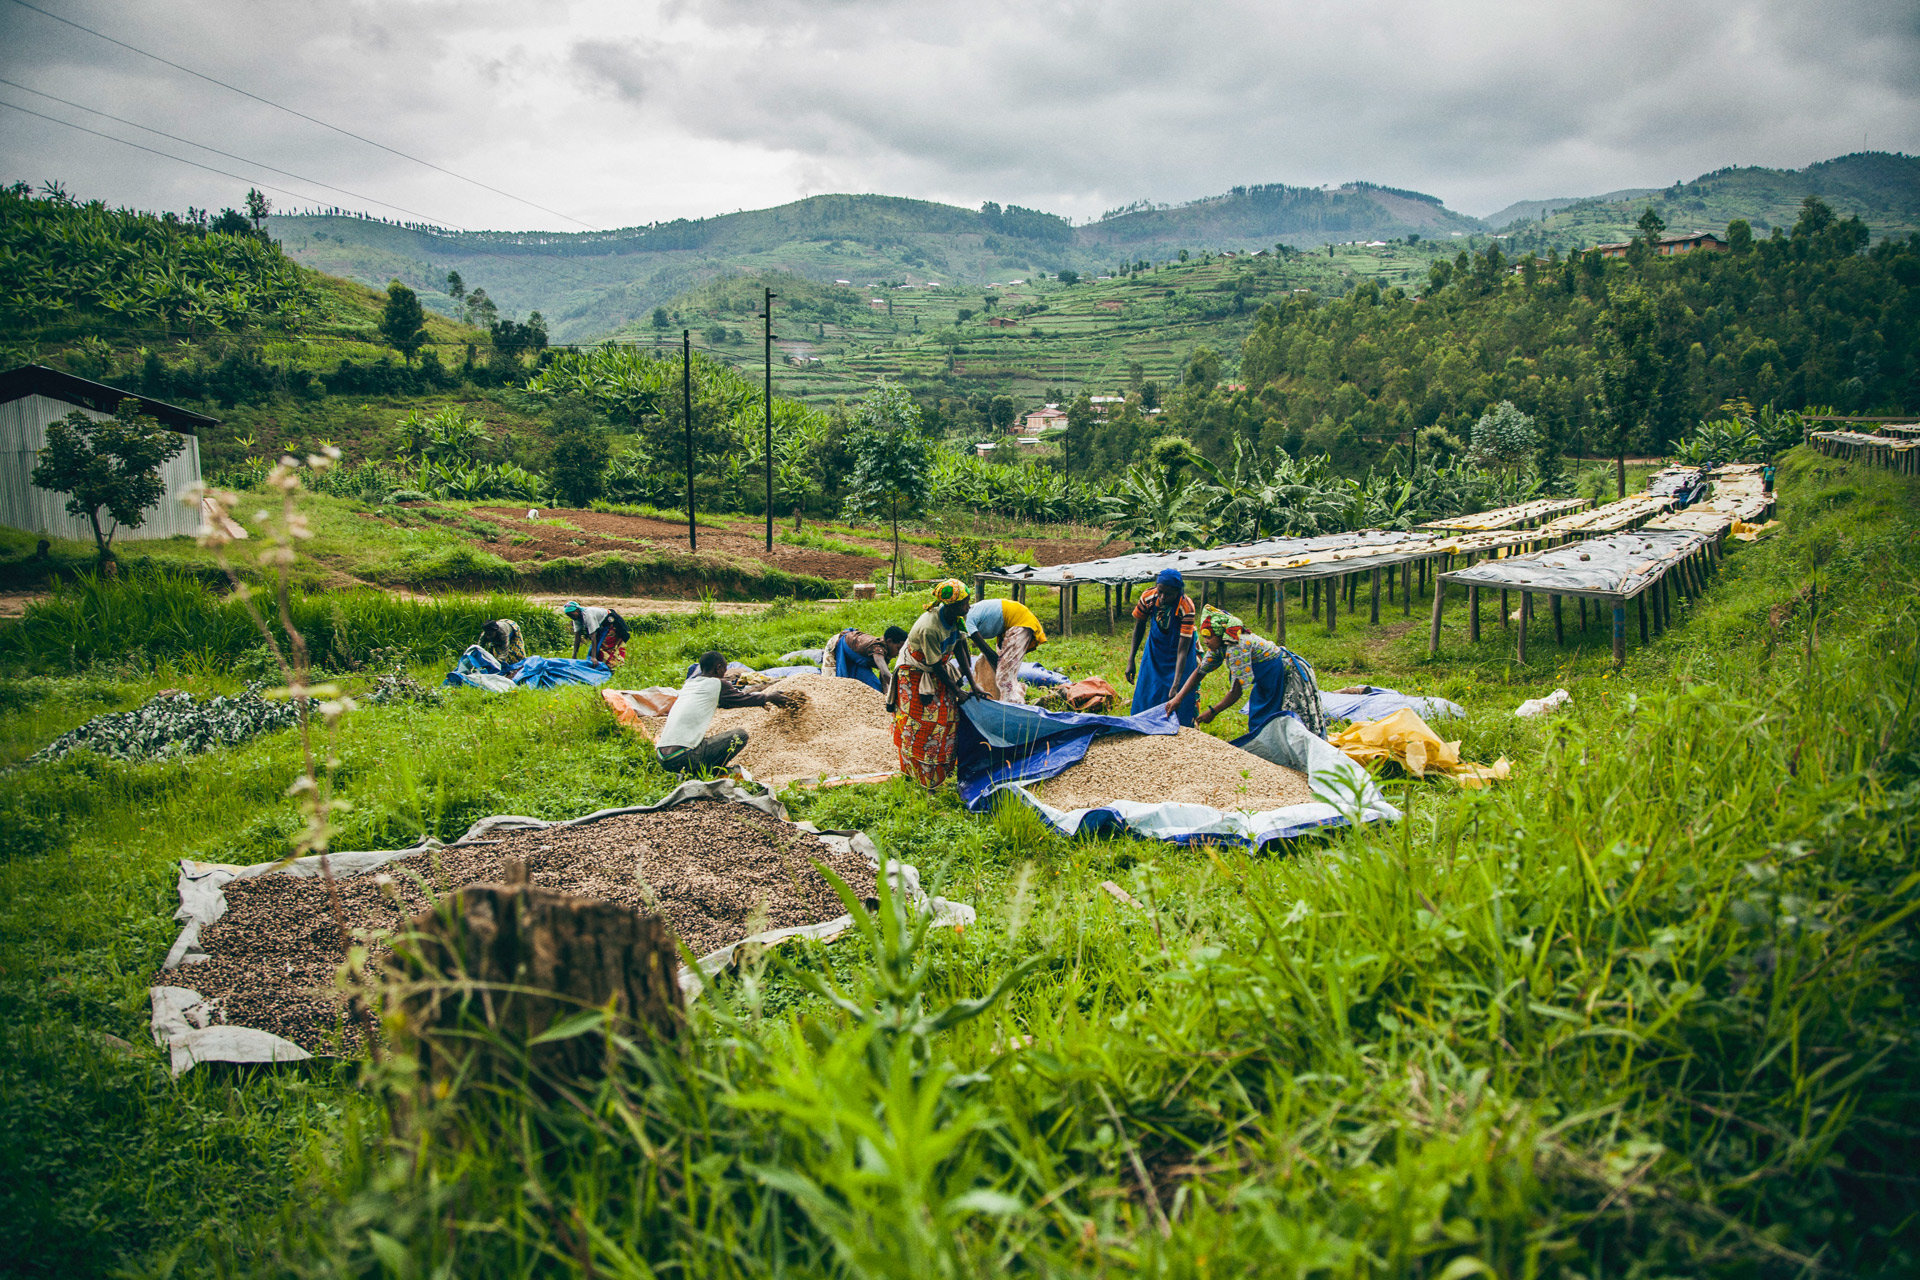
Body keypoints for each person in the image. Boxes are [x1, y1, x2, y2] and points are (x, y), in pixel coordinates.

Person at [1166, 605, 1328, 741]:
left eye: (1209, 636)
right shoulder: (1218, 647)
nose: (1206, 641)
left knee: (1287, 721)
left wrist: (1213, 711)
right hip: (1265, 678)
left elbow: (1236, 691)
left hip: (1284, 673)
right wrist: (1178, 698)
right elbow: (1199, 673)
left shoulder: (1238, 647)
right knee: (1259, 717)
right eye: (1204, 636)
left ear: (1221, 635)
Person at [891, 579, 974, 788]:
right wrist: (956, 690)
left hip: (937, 670)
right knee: (923, 723)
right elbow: (935, 665)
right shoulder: (930, 627)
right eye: (965, 603)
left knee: (949, 718)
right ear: (952, 605)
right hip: (915, 674)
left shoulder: (956, 619)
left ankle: (942, 774)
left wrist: (973, 684)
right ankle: (917, 776)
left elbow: (960, 647)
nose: (968, 607)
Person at [655, 650, 796, 774]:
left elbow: (728, 702)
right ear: (718, 668)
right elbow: (740, 699)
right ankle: (711, 772)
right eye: (725, 669)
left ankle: (693, 770)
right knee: (740, 736)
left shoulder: (689, 686)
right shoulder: (718, 683)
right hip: (683, 756)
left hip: (662, 756)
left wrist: (759, 696)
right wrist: (768, 697)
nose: (725, 673)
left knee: (704, 740)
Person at [1126, 569, 1199, 725]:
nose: (1163, 597)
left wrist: (1176, 683)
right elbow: (1139, 627)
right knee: (1148, 690)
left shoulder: (1186, 606)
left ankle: (1181, 729)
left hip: (1180, 653)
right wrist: (1131, 660)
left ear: (1178, 591)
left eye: (1169, 594)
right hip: (1155, 649)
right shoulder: (1148, 597)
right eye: (1161, 592)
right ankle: (1144, 726)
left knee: (1179, 696)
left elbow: (1182, 651)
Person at [962, 596, 1048, 703]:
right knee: (1001, 671)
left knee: (1004, 678)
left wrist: (1001, 667)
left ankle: (1012, 708)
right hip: (1009, 625)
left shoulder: (967, 620)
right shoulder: (960, 624)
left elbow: (987, 651)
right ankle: (1008, 698)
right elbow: (965, 654)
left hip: (1019, 621)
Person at [828, 625, 907, 693]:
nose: (899, 653)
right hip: (841, 645)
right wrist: (899, 689)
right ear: (889, 641)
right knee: (835, 685)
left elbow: (883, 679)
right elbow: (885, 673)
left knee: (874, 687)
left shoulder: (886, 652)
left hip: (858, 660)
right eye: (898, 648)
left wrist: (886, 693)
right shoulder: (877, 648)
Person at [563, 600, 629, 668]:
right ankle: (595, 666)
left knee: (604, 647)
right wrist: (574, 655)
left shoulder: (588, 614)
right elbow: (577, 637)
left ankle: (611, 667)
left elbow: (593, 636)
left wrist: (593, 657)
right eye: (568, 615)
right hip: (602, 627)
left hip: (612, 624)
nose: (571, 617)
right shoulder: (576, 619)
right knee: (592, 651)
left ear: (577, 610)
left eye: (571, 614)